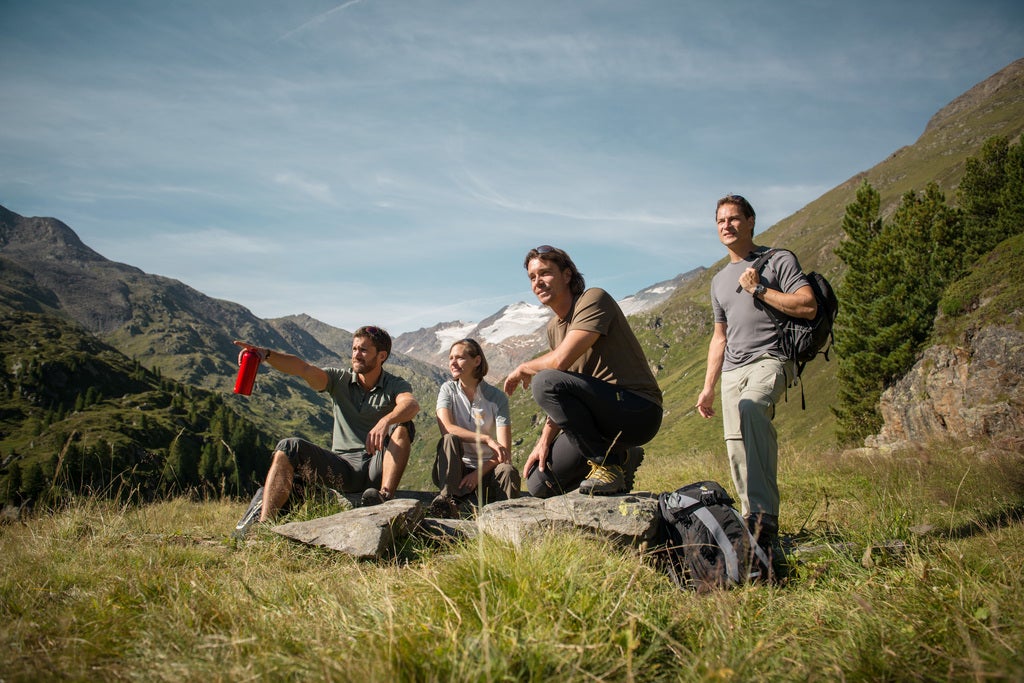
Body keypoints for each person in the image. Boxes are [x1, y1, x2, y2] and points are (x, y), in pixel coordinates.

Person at [695, 194, 817, 564]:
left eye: (733, 219)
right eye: (720, 221)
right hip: (733, 368)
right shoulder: (718, 281)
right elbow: (720, 337)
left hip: (772, 358)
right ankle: (754, 526)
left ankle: (766, 518)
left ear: (750, 221)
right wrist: (708, 386)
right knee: (735, 444)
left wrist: (759, 289)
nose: (726, 226)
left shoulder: (779, 259)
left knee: (753, 409)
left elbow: (808, 306)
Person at [503, 245, 662, 497]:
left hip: (636, 410)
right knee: (539, 482)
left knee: (543, 380)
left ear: (567, 275)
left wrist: (524, 367)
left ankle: (608, 467)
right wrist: (544, 441)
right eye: (532, 277)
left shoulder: (593, 299)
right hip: (597, 417)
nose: (538, 282)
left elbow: (558, 363)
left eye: (545, 273)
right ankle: (622, 457)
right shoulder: (554, 327)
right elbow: (563, 389)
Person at [233, 325, 420, 532]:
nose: (356, 355)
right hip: (342, 468)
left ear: (381, 356)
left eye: (364, 350)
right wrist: (265, 355)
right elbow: (302, 368)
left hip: (377, 466)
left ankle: (384, 498)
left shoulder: (394, 384)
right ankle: (264, 526)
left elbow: (410, 405)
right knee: (288, 447)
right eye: (354, 349)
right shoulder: (338, 380)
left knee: (403, 426)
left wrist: (385, 421)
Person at [429, 338, 520, 518]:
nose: (453, 363)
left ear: (477, 361)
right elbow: (447, 428)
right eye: (450, 358)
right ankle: (447, 502)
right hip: (456, 468)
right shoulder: (448, 390)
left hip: (487, 469)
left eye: (460, 358)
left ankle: (509, 520)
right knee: (449, 439)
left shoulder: (497, 398)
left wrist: (478, 474)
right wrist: (486, 438)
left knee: (508, 470)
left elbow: (504, 452)